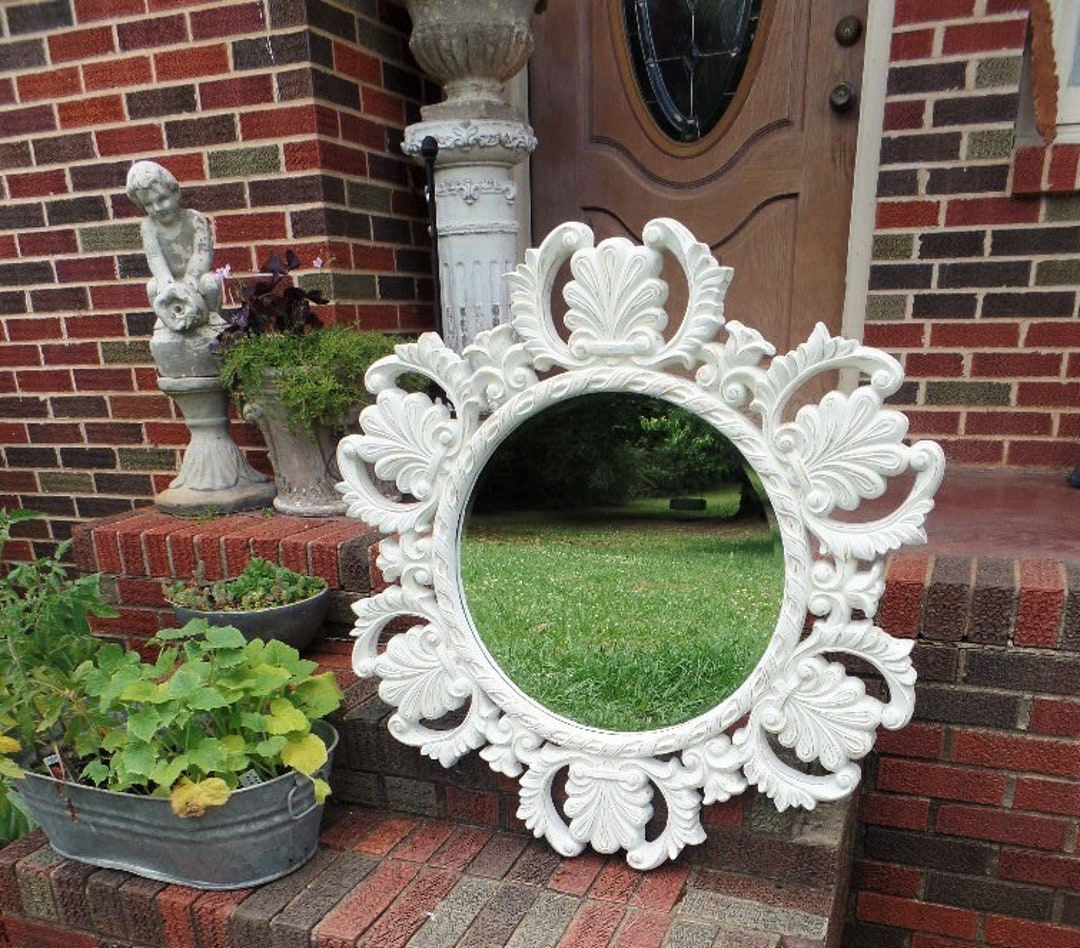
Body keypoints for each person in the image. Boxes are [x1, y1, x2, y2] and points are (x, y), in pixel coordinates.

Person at [125, 161, 221, 331]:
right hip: (169, 280)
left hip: (195, 278)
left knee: (211, 282)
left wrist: (191, 278)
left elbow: (202, 253)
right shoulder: (149, 226)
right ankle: (165, 317)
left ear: (175, 192)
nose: (157, 208)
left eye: (162, 199)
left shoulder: (194, 219)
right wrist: (165, 281)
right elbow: (154, 256)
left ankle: (213, 313)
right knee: (152, 286)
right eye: (148, 204)